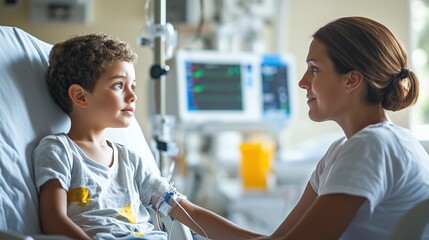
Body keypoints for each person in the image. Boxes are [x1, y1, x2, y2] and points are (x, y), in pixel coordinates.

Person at [33, 33, 263, 240]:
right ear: (80, 96)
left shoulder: (130, 160)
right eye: (118, 85)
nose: (132, 95)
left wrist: (258, 239)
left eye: (132, 85)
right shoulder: (59, 150)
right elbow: (53, 220)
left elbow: (188, 212)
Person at [253, 16, 429, 240]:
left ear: (352, 80)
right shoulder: (344, 148)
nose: (302, 82)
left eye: (314, 69)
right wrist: (193, 213)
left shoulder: (372, 145)